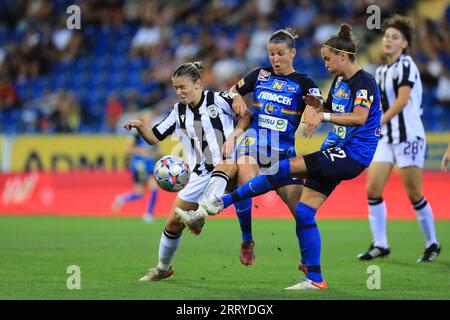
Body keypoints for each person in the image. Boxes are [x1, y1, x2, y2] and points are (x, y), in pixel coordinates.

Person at [184, 24, 383, 290]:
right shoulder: (337, 82)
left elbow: (358, 117)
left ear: (342, 56)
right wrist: (318, 109)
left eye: (327, 58)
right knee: (303, 212)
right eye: (271, 54)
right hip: (333, 149)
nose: (324, 64)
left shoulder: (364, 81)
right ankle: (315, 279)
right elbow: (327, 107)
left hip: (352, 153)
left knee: (282, 169)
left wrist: (319, 114)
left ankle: (219, 203)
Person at [175, 28, 323, 268]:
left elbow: (318, 102)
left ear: (293, 53)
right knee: (245, 171)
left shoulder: (304, 82)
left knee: (302, 213)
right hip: (253, 145)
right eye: (271, 53)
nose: (275, 59)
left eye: (280, 53)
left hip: (282, 152)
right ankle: (247, 239)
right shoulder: (259, 75)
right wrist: (237, 97)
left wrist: (314, 112)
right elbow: (234, 91)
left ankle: (308, 261)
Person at [123, 61, 252, 281]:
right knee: (172, 224)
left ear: (198, 84)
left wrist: (234, 135)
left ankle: (201, 214)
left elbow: (246, 114)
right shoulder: (177, 111)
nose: (179, 92)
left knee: (227, 163)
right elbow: (154, 137)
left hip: (227, 168)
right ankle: (163, 268)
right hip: (198, 175)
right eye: (175, 88)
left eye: (183, 87)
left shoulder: (218, 99)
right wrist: (139, 125)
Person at [358, 15, 441, 263]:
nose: (388, 40)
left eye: (394, 37)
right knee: (372, 188)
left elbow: (402, 100)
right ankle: (380, 244)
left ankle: (432, 243)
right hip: (386, 138)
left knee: (414, 192)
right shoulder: (381, 71)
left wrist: (378, 121)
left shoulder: (407, 65)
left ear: (404, 44)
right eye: (386, 36)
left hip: (409, 135)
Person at [112, 110, 161, 223]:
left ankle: (149, 213)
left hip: (150, 164)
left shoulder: (154, 133)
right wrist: (140, 151)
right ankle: (123, 199)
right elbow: (128, 148)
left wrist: (158, 153)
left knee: (153, 189)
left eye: (150, 118)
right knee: (140, 193)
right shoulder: (136, 134)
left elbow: (158, 151)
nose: (150, 119)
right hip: (139, 164)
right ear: (142, 120)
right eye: (148, 118)